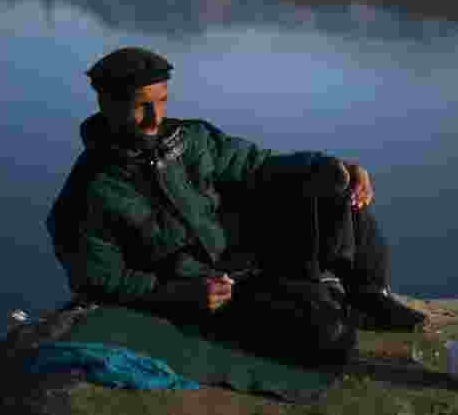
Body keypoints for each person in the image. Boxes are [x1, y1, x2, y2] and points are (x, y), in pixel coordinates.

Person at [46, 46, 427, 367]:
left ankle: (367, 294)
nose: (155, 118)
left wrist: (340, 168)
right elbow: (101, 280)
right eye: (140, 106)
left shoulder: (193, 139)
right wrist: (180, 293)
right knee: (329, 338)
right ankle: (321, 300)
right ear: (107, 104)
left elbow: (259, 165)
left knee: (334, 183)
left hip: (248, 256)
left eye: (161, 102)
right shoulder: (87, 193)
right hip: (209, 294)